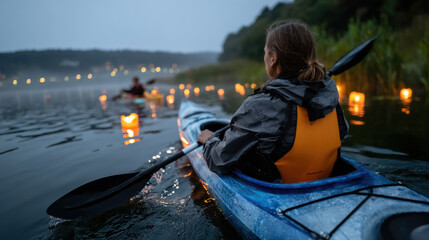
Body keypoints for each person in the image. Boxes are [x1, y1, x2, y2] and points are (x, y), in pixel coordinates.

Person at [197, 20, 349, 183]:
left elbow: (218, 161)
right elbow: (342, 131)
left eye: (265, 52)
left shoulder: (258, 106)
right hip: (326, 179)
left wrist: (210, 141)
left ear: (273, 58)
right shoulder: (330, 93)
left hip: (282, 190)